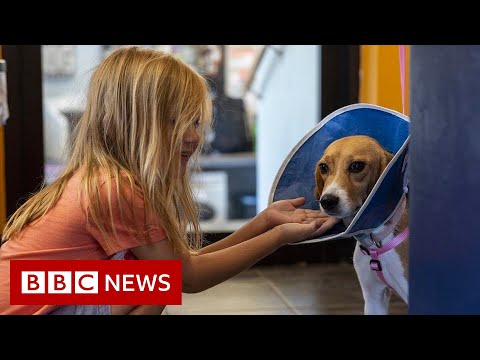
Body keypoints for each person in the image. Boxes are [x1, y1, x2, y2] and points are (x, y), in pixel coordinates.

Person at [0, 46, 338, 315]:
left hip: (36, 289)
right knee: (159, 282)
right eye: (177, 121)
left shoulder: (98, 177)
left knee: (156, 276)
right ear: (131, 122)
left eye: (195, 122)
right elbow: (187, 278)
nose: (193, 137)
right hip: (32, 297)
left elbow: (184, 265)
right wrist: (277, 237)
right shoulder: (115, 188)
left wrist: (263, 222)